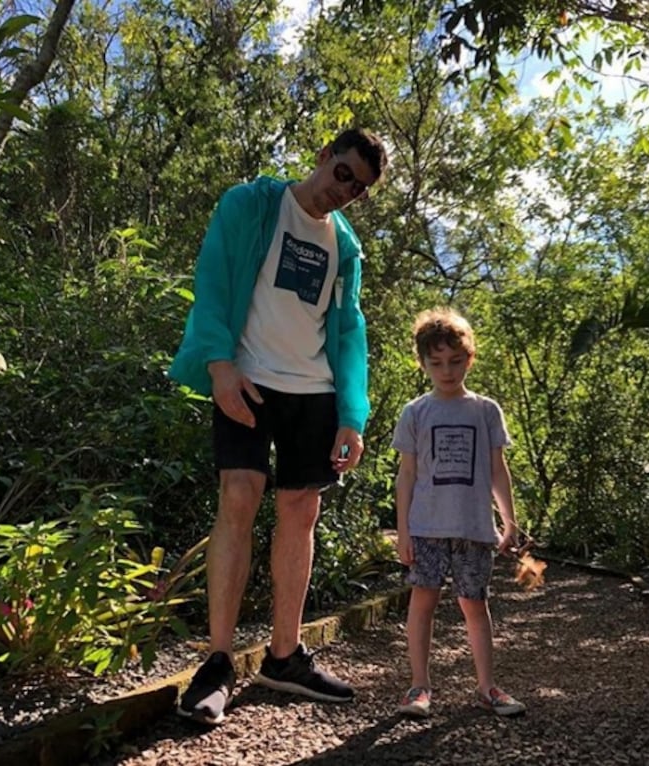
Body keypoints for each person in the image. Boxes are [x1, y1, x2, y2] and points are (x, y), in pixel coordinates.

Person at [168, 128, 389, 725]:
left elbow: (348, 332)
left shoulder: (346, 247)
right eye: (343, 173)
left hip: (313, 391)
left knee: (301, 510)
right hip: (248, 377)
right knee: (239, 496)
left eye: (360, 189)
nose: (345, 192)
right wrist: (218, 363)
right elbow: (212, 280)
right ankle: (216, 663)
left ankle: (284, 656)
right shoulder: (251, 203)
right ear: (323, 156)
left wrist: (352, 415)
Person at [391, 307, 526, 718]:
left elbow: (497, 470)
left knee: (474, 604)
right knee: (422, 602)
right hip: (427, 527)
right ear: (423, 364)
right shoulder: (415, 412)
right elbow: (406, 475)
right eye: (436, 363)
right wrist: (403, 532)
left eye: (455, 361)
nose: (446, 371)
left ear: (470, 358)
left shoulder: (486, 411)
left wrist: (509, 521)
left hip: (473, 528)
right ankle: (419, 687)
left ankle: (487, 687)